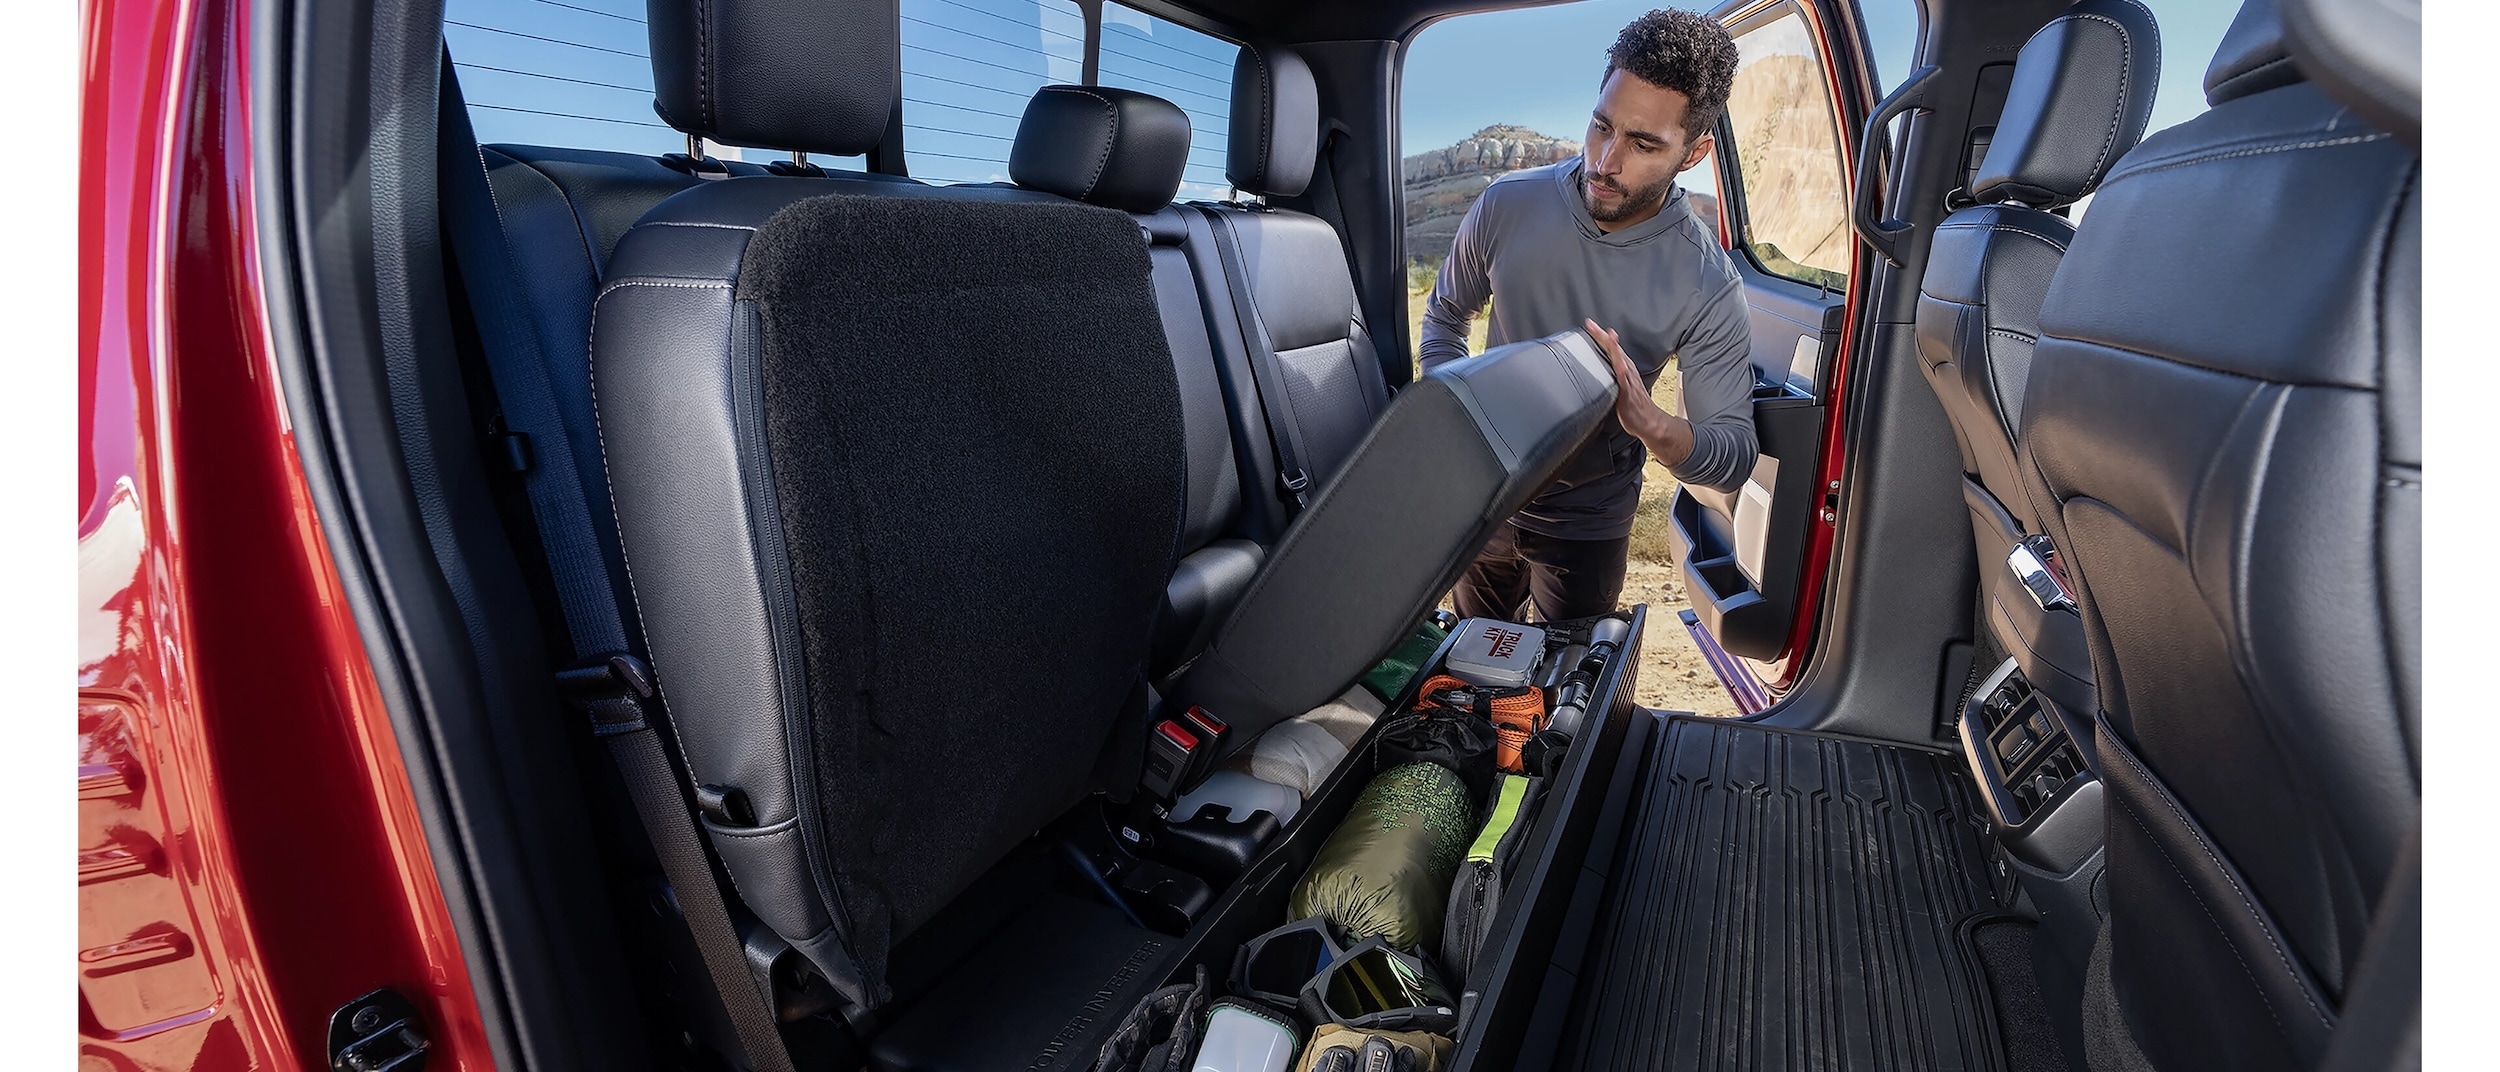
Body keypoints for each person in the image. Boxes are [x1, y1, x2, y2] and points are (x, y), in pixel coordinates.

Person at [1420, 8, 1756, 623]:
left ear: (1694, 152)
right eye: (1601, 126)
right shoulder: (1506, 204)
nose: (1605, 160)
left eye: (1643, 144)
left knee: (1566, 678)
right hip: (1485, 500)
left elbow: (1732, 453)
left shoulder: (1708, 282)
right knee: (1473, 662)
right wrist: (1459, 423)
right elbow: (1445, 316)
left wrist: (1652, 424)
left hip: (1590, 522)